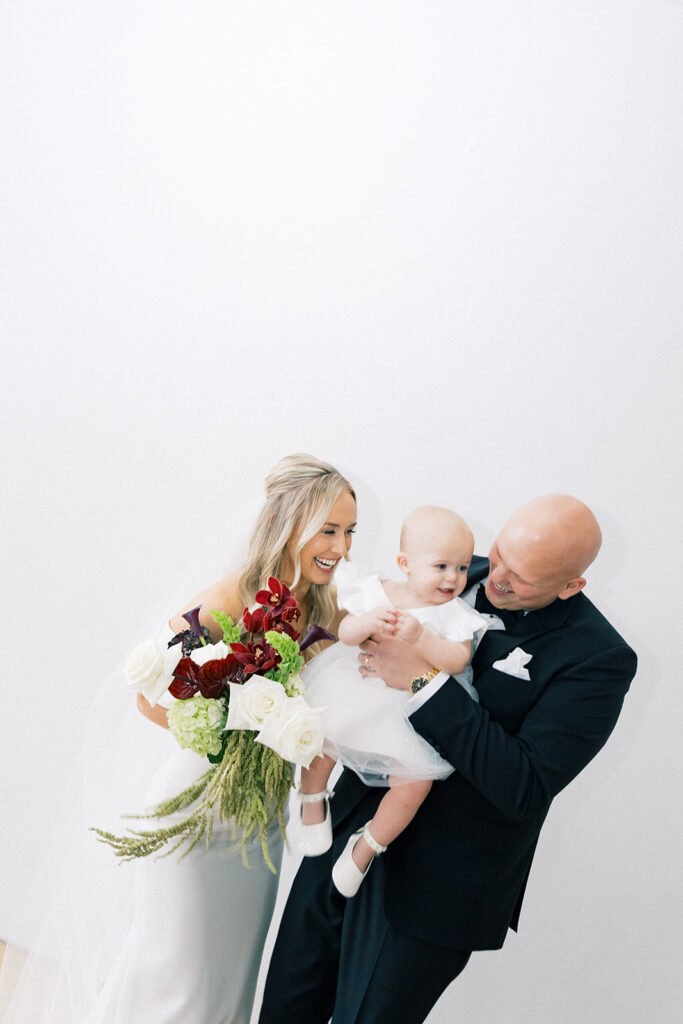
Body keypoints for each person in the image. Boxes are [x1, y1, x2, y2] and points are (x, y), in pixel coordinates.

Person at [0, 454, 357, 1024]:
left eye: (348, 533)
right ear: (289, 525)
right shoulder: (227, 597)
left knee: (228, 975)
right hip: (194, 812)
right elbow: (148, 694)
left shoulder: (326, 609)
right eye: (329, 530)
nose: (340, 547)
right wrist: (228, 731)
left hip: (257, 823)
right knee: (174, 971)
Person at [258, 493, 638, 1024]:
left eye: (522, 578)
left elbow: (524, 785)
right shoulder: (451, 571)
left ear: (572, 585)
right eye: (500, 552)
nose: (495, 577)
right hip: (346, 825)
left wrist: (422, 679)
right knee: (285, 1003)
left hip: (441, 885)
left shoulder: (600, 659)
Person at [295, 506, 489, 899]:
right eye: (441, 566)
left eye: (462, 567)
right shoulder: (378, 591)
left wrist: (422, 639)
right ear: (406, 564)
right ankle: (311, 797)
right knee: (322, 736)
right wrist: (368, 623)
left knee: (415, 784)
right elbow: (346, 631)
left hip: (409, 711)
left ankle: (367, 846)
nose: (453, 578)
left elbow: (457, 659)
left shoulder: (455, 614)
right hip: (359, 686)